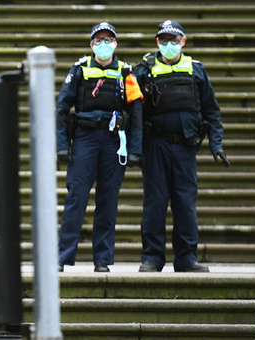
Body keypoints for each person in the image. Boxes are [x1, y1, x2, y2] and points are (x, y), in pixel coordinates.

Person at [135, 20, 227, 273]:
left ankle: (186, 258)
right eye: (163, 40)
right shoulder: (143, 71)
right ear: (157, 42)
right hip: (155, 146)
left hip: (186, 147)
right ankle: (152, 258)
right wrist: (134, 148)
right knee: (155, 203)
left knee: (185, 203)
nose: (169, 45)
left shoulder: (196, 70)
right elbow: (133, 112)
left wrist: (216, 144)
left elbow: (211, 111)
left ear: (183, 41)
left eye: (174, 40)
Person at [55, 22, 144, 273]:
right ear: (91, 44)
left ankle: (102, 259)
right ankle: (62, 257)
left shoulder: (126, 72)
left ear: (115, 44)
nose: (103, 45)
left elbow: (136, 112)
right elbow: (62, 108)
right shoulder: (80, 69)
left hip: (114, 141)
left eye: (108, 40)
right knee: (76, 198)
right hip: (84, 138)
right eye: (98, 41)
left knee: (108, 201)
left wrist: (136, 149)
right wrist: (62, 145)